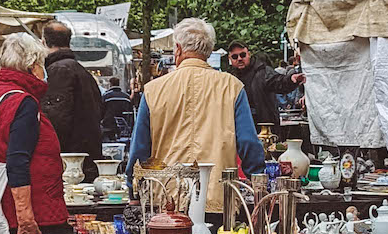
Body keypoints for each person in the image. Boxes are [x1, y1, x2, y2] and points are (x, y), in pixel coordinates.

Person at [125, 15, 264, 218]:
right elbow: (248, 143)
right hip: (217, 197)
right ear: (208, 51)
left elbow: (140, 149)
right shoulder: (231, 87)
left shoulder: (154, 90)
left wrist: (134, 191)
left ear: (178, 49)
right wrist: (257, 180)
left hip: (167, 198)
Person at [0, 30, 68, 234]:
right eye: (40, 64)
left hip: (3, 208)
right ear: (32, 65)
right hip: (34, 215)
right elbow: (17, 160)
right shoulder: (24, 103)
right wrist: (25, 218)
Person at [38, 19, 103, 183]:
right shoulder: (82, 72)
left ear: (43, 42)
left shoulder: (59, 71)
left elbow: (55, 121)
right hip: (85, 159)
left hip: (71, 165)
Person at [225, 39, 304, 131]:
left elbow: (278, 81)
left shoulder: (262, 71)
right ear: (230, 59)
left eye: (243, 55)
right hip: (240, 127)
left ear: (249, 54)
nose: (239, 59)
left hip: (263, 126)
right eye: (235, 57)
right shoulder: (229, 78)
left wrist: (291, 79)